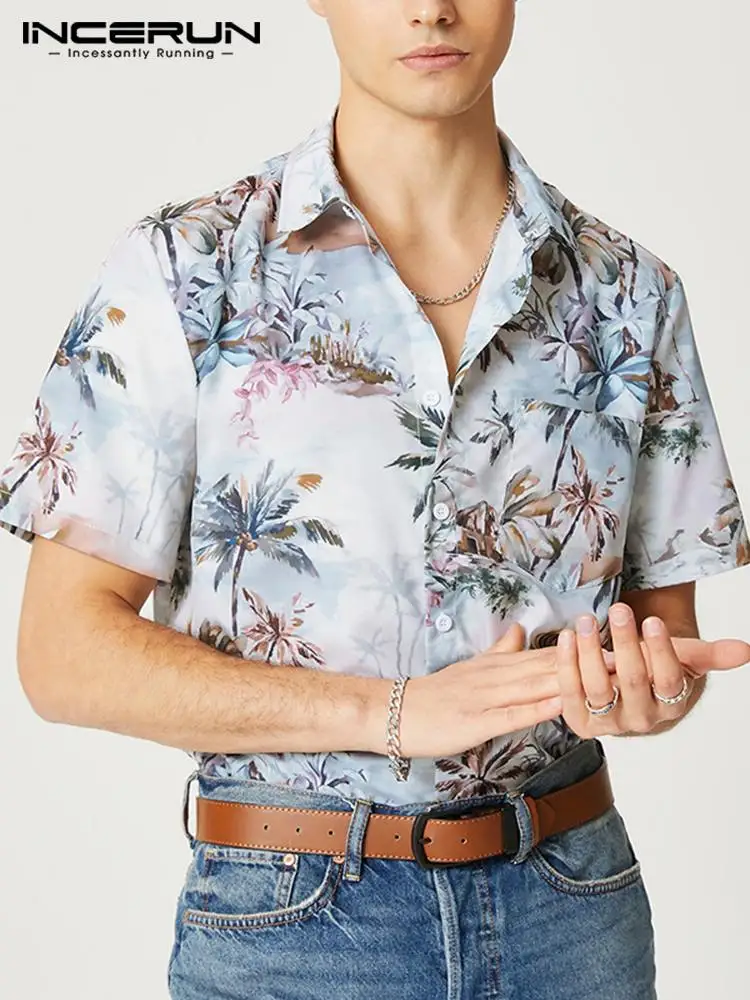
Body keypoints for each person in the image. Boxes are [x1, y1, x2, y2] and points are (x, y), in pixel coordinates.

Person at [2, 1, 749, 998]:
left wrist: (646, 691)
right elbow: (61, 655)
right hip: (293, 922)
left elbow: (663, 639)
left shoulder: (631, 293)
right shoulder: (188, 269)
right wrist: (395, 712)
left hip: (570, 908)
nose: (430, 7)